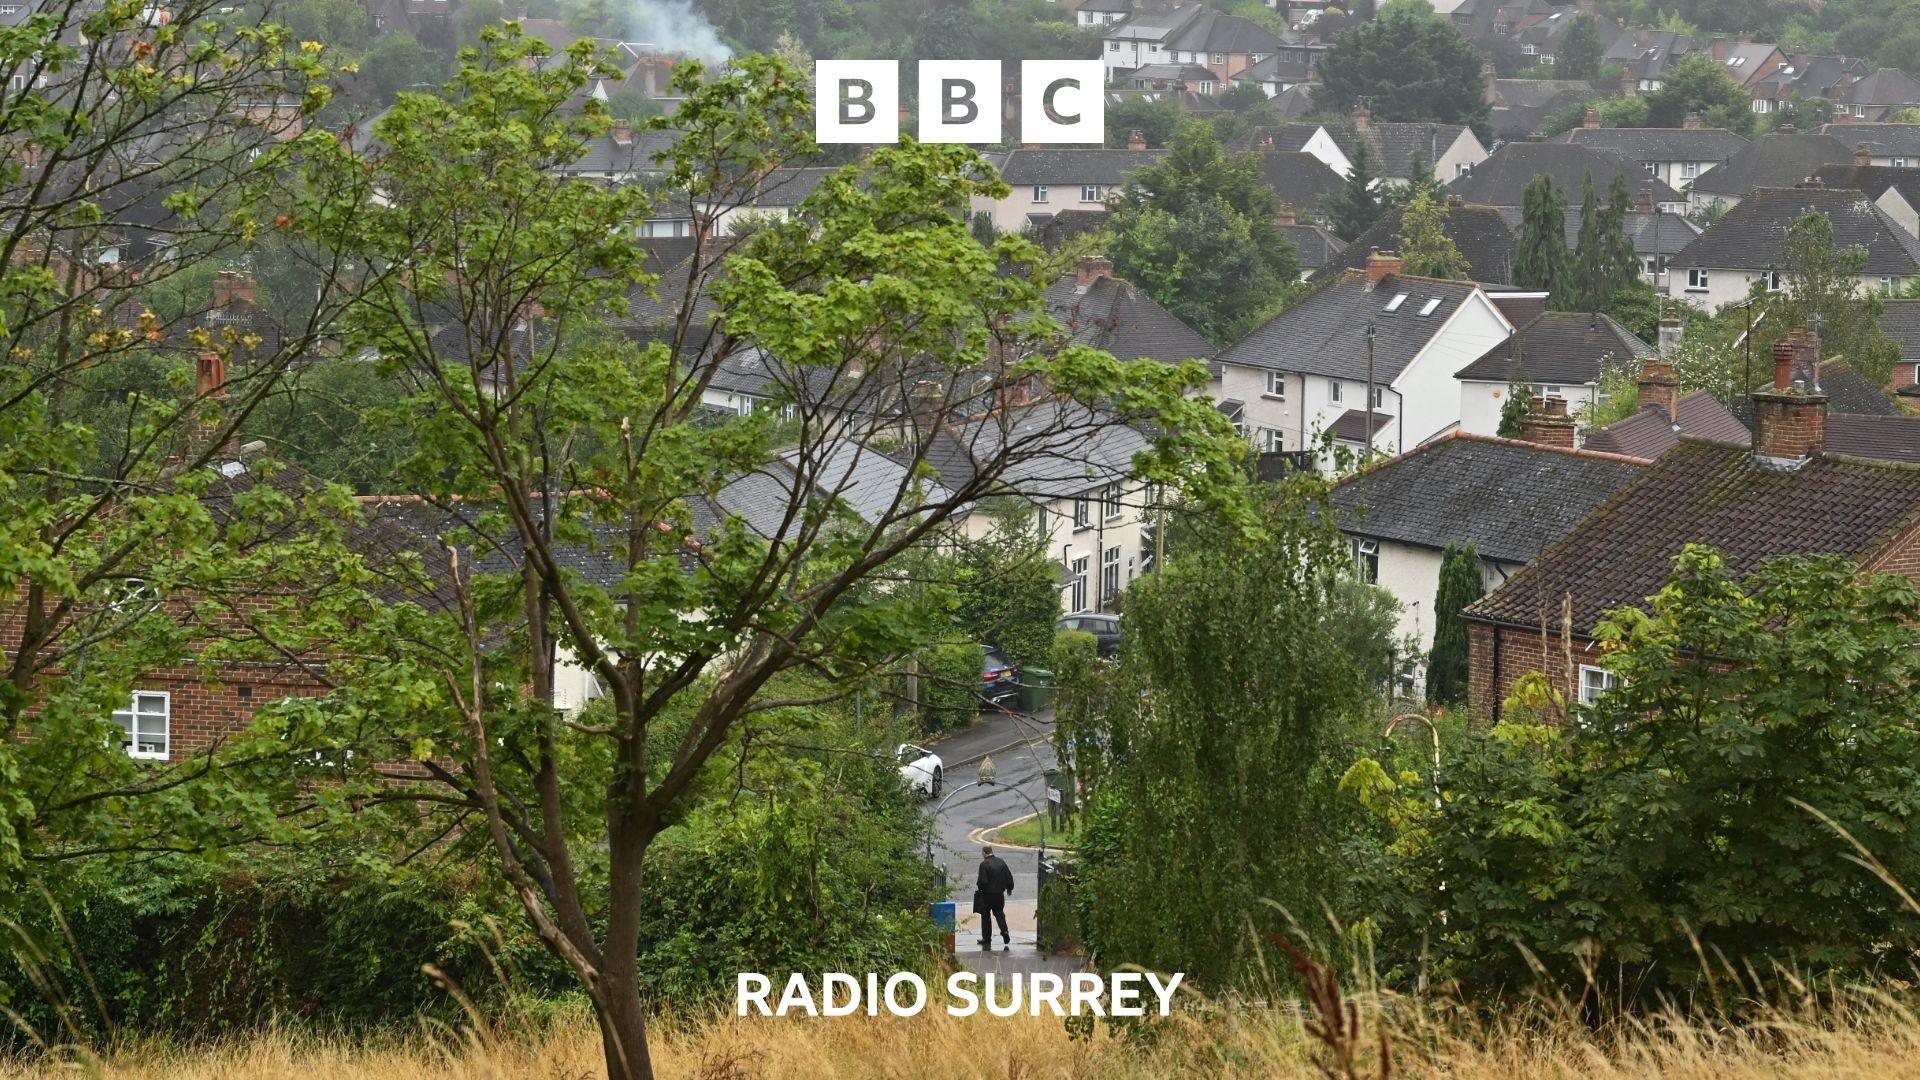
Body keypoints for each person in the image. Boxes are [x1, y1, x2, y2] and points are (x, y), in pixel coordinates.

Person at [973, 845, 1014, 948]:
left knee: (986, 916)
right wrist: (1009, 888)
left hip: (987, 895)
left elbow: (983, 881)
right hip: (999, 894)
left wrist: (980, 889)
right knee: (999, 913)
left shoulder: (984, 864)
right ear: (991, 851)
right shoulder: (1001, 862)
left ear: (984, 853)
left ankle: (986, 938)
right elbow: (1009, 877)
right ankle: (1004, 932)